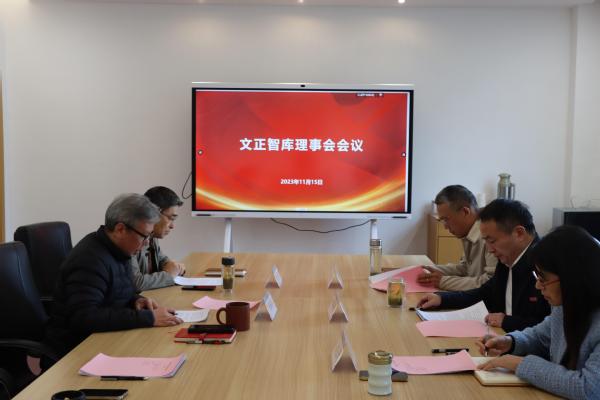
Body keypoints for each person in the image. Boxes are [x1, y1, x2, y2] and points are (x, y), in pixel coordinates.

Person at [45, 194, 183, 356]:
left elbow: (115, 291)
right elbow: (84, 318)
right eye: (145, 236)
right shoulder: (89, 260)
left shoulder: (119, 249)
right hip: (77, 350)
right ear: (120, 229)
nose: (147, 243)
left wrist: (136, 300)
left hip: (106, 338)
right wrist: (148, 318)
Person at [476, 226, 600, 400]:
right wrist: (510, 342)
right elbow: (541, 337)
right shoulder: (565, 304)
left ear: (571, 278)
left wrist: (521, 364)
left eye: (543, 278)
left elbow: (588, 388)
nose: (537, 285)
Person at [417, 199, 550, 332]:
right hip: (499, 336)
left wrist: (507, 322)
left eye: (492, 241)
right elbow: (485, 293)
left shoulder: (546, 266)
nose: (490, 249)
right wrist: (442, 299)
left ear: (519, 233)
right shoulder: (508, 258)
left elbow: (550, 328)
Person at [417, 185, 497, 290]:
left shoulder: (490, 236)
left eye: (446, 219)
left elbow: (491, 282)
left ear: (465, 212)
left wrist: (442, 281)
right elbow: (465, 269)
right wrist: (430, 269)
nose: (445, 226)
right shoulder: (469, 233)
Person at [130, 186, 185, 291]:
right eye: (171, 218)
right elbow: (136, 283)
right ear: (153, 214)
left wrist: (174, 266)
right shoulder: (132, 237)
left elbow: (162, 260)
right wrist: (169, 275)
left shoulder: (152, 236)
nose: (172, 226)